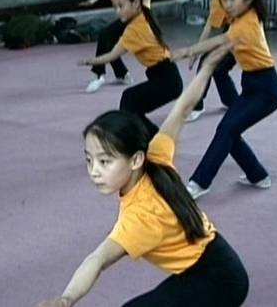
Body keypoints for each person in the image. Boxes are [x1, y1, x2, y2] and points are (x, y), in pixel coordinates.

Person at [38, 42, 248, 307]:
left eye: (105, 161)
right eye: (89, 160)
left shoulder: (141, 217)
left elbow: (98, 259)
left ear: (136, 159)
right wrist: (206, 68)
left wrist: (66, 299)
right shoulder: (156, 157)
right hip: (217, 264)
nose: (94, 172)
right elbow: (182, 109)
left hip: (218, 281)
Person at [173, 0, 277, 199]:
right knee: (229, 129)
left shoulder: (247, 23)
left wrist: (188, 51)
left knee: (227, 129)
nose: (228, 4)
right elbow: (220, 39)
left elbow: (220, 41)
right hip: (252, 85)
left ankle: (199, 182)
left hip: (267, 90)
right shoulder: (238, 16)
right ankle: (258, 175)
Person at [79, 0, 182, 137]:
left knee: (129, 101)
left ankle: (150, 141)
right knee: (132, 106)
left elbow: (112, 55)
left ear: (135, 3)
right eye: (115, 7)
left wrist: (90, 61)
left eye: (121, 6)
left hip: (166, 80)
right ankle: (155, 141)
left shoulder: (134, 31)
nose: (117, 12)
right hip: (168, 77)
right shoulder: (143, 12)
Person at [186, 0, 239, 122]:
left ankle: (197, 106)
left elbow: (210, 27)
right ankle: (233, 101)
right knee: (219, 69)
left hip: (240, 35)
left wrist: (197, 51)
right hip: (235, 32)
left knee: (208, 62)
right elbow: (211, 23)